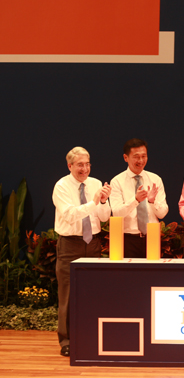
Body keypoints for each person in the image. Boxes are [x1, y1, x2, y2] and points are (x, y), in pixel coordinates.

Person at [53, 147, 111, 357]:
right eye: (80, 164)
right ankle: (66, 340)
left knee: (92, 292)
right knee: (67, 295)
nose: (84, 168)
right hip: (70, 245)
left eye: (87, 164)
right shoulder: (61, 186)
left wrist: (103, 201)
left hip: (93, 243)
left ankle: (90, 335)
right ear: (70, 166)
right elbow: (69, 215)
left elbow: (104, 217)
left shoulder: (95, 184)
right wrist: (93, 202)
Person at [109, 138, 168, 258]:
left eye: (144, 156)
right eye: (136, 156)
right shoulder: (117, 181)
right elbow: (116, 213)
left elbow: (162, 214)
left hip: (152, 237)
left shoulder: (155, 179)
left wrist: (152, 201)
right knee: (129, 276)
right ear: (126, 158)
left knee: (152, 275)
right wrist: (135, 201)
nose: (140, 160)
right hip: (128, 239)